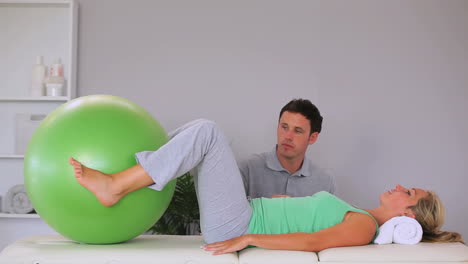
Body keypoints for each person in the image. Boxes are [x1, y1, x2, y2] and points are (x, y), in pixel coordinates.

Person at [69, 119, 463, 255]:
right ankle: (133, 175)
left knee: (207, 131)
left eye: (408, 192)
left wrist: (250, 238)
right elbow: (307, 222)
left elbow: (312, 243)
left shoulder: (364, 226)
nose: (399, 187)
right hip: (245, 211)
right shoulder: (358, 213)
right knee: (197, 129)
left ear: (408, 216)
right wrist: (278, 205)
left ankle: (117, 186)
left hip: (238, 225)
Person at [239, 99, 335, 199]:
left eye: (297, 131)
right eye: (284, 127)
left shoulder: (326, 181)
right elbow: (229, 213)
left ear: (312, 138)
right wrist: (267, 207)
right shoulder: (247, 169)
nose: (288, 136)